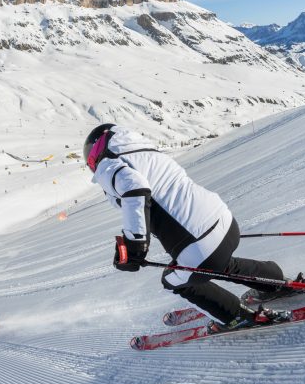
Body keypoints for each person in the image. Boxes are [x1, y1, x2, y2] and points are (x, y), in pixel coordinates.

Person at [83, 123, 293, 333]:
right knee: (221, 264)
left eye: (90, 159)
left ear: (96, 149)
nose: (92, 165)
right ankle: (275, 281)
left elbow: (135, 188)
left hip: (200, 245)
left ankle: (237, 317)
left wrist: (134, 245)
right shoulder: (145, 154)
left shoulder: (108, 163)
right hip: (225, 222)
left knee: (173, 279)